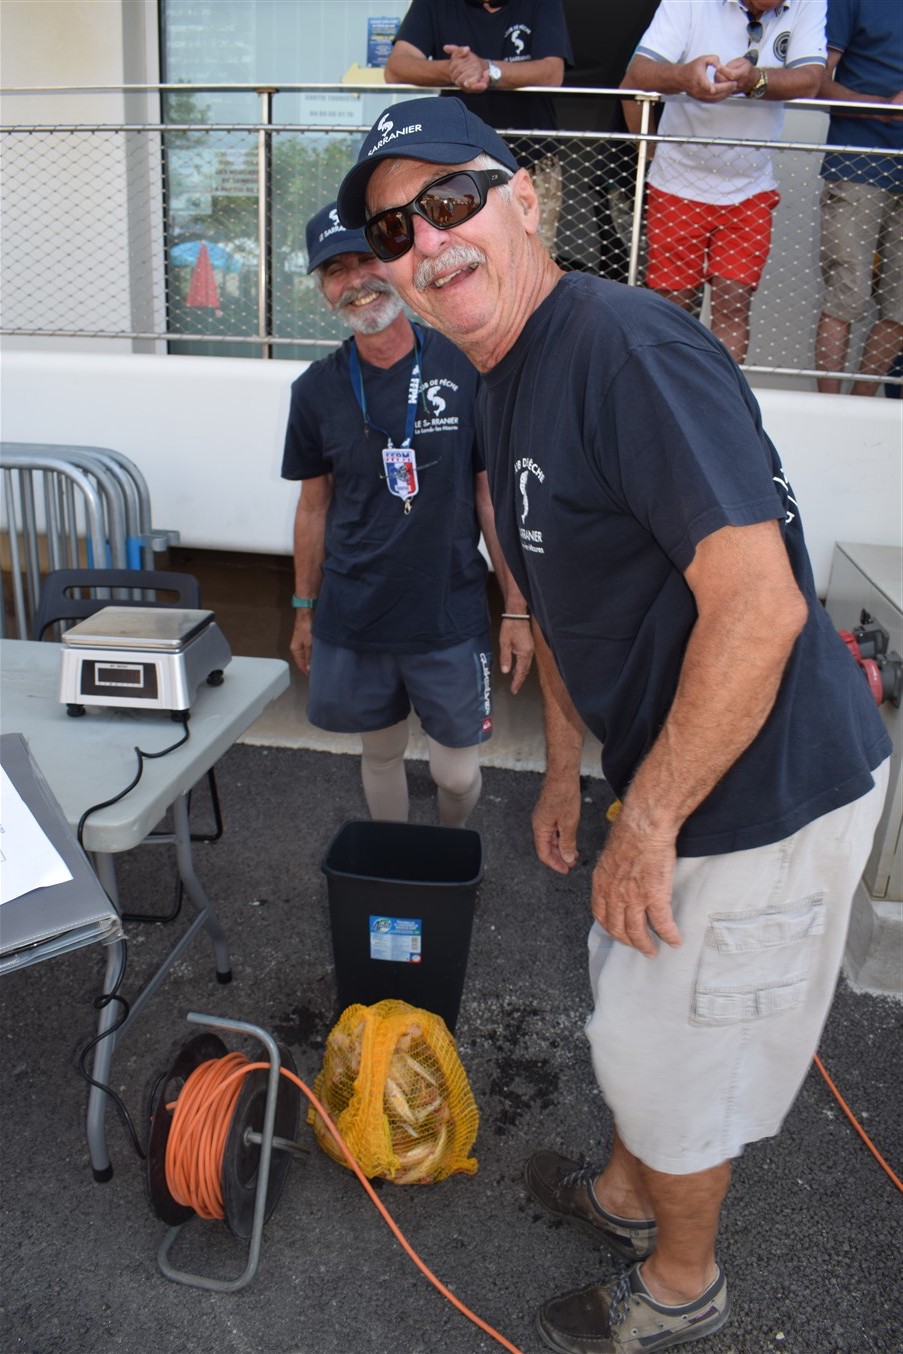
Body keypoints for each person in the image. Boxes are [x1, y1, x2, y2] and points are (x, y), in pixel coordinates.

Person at [335, 98, 892, 1353]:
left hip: (766, 789)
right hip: (678, 771)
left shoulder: (621, 345)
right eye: (392, 227)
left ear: (525, 199)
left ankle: (682, 1286)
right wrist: (568, 776)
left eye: (450, 200)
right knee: (628, 998)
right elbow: (569, 591)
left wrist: (646, 821)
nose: (426, 240)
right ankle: (629, 1193)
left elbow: (761, 607)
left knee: (683, 1056)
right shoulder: (504, 377)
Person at [282, 201, 532, 827]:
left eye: (366, 259)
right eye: (335, 270)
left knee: (457, 772)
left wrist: (517, 606)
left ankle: (447, 852)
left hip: (445, 613)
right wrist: (303, 609)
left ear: (394, 264)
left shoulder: (461, 365)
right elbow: (314, 508)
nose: (355, 281)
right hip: (356, 612)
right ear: (322, 288)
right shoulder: (314, 390)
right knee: (381, 752)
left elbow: (490, 497)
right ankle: (396, 868)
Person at [620, 0, 827, 362]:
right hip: (675, 185)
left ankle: (722, 405)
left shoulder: (810, 2)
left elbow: (810, 79)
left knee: (733, 306)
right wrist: (685, 78)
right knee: (671, 309)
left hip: (750, 190)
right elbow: (638, 73)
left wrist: (755, 80)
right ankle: (668, 401)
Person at [384, 0, 573, 254]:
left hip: (532, 164)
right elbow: (397, 67)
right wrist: (455, 69)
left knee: (533, 257)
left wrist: (488, 69)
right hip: (458, 170)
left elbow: (551, 73)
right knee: (465, 256)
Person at [814, 0, 903, 396]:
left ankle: (861, 409)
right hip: (858, 165)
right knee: (846, 295)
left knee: (901, 306)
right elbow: (815, 80)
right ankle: (831, 413)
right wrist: (883, 109)